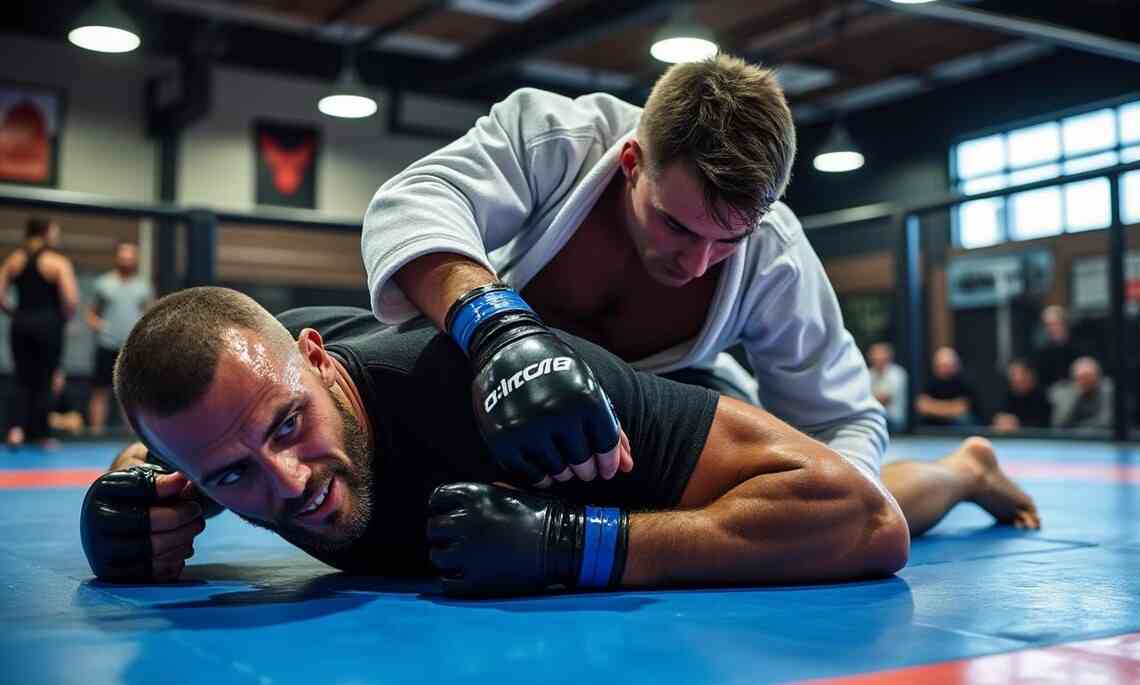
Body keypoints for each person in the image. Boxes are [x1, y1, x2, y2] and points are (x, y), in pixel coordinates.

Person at [80, 287, 1040, 594]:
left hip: (641, 434)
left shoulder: (463, 390)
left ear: (319, 363)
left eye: (292, 426)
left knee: (868, 491)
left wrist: (576, 544)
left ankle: (964, 466)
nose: (288, 483)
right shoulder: (227, 416)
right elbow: (162, 459)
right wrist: (124, 506)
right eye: (233, 476)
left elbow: (859, 521)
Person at [361, 54, 886, 491]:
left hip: (675, 412)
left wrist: (841, 503)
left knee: (790, 496)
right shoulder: (558, 137)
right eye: (677, 226)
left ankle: (960, 472)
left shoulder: (776, 253)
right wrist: (500, 332)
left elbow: (839, 418)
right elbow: (413, 201)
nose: (697, 263)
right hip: (514, 386)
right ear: (632, 163)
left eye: (729, 239)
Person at [0, 218, 78, 448]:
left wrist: (15, 314)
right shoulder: (57, 262)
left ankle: (15, 431)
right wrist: (64, 318)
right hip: (49, 325)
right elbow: (71, 299)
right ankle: (41, 434)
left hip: (21, 323)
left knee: (21, 377)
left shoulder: (15, 259)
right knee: (46, 378)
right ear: (47, 233)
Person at [86, 241, 153, 435]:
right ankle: (95, 434)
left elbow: (149, 313)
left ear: (135, 259)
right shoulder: (103, 284)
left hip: (130, 347)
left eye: (130, 256)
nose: (126, 259)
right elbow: (91, 313)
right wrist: (98, 324)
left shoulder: (143, 286)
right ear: (117, 257)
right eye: (123, 255)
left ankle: (132, 436)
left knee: (130, 394)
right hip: (106, 344)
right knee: (100, 391)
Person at [915, 347, 977, 427]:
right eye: (941, 366)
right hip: (932, 425)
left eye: (948, 366)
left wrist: (933, 406)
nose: (945, 370)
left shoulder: (965, 383)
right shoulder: (929, 382)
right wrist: (950, 407)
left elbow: (961, 408)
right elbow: (921, 405)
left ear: (956, 365)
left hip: (959, 426)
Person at [1050, 356, 1113, 430]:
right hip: (1070, 438)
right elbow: (1059, 423)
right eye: (1081, 378)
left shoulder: (1107, 389)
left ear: (1097, 377)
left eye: (1089, 377)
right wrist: (1075, 395)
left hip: (1100, 436)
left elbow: (1106, 421)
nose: (1085, 381)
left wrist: (1079, 429)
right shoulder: (1062, 392)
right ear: (1074, 378)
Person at [991, 358, 1051, 433]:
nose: (1017, 378)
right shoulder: (1007, 395)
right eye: (1013, 374)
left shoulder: (1043, 397)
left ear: (1031, 375)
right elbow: (998, 418)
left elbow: (1043, 426)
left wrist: (1017, 424)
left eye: (1022, 374)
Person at [1034, 305, 1081, 388]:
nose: (1052, 328)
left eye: (1055, 324)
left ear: (1065, 323)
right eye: (1048, 325)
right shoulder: (1043, 351)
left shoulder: (1080, 344)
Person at [868, 342, 908, 433]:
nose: (877, 358)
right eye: (875, 355)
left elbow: (885, 399)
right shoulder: (868, 374)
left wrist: (869, 398)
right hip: (873, 420)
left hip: (893, 421)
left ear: (888, 356)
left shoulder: (897, 373)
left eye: (880, 354)